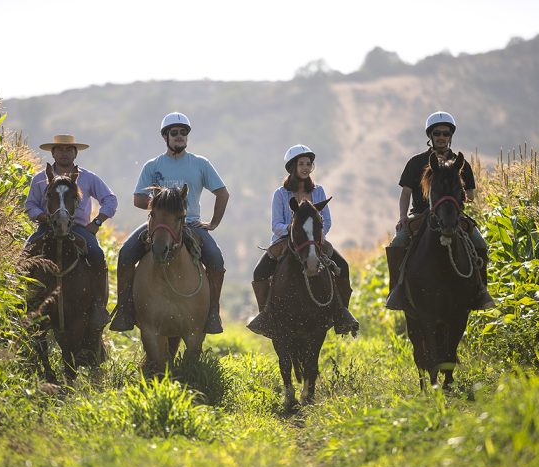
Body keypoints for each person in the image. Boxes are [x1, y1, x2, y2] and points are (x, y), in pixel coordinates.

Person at [109, 112, 230, 333]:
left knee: (216, 259)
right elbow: (138, 199)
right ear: (166, 137)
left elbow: (223, 194)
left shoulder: (200, 164)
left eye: (183, 133)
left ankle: (213, 312)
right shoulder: (152, 166)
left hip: (190, 224)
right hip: (158, 225)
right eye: (174, 133)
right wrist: (161, 208)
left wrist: (213, 223)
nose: (179, 136)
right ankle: (125, 310)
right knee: (126, 253)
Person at [386, 111, 494, 310]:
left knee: (479, 242)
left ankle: (481, 290)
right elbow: (405, 193)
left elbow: (470, 195)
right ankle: (396, 290)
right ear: (430, 136)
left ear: (451, 136)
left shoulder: (462, 164)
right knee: (398, 242)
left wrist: (456, 194)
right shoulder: (416, 162)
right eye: (437, 133)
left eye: (446, 133)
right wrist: (402, 217)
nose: (442, 137)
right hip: (421, 213)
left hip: (453, 214)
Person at [250, 144, 359, 336]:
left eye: (308, 164)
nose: (305, 167)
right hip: (285, 240)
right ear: (292, 167)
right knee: (259, 272)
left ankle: (342, 313)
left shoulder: (319, 191)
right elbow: (276, 224)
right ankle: (266, 315)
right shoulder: (280, 194)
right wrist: (295, 231)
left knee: (343, 266)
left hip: (314, 240)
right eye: (301, 164)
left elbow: (327, 220)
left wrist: (315, 236)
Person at [24, 134, 118, 329]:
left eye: (69, 150)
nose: (64, 153)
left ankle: (98, 306)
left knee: (97, 255)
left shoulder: (89, 178)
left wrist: (97, 221)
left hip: (78, 228)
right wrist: (43, 217)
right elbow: (30, 205)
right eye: (60, 149)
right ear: (53, 152)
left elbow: (110, 199)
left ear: (75, 153)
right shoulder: (40, 179)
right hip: (47, 226)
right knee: (24, 255)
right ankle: (22, 302)